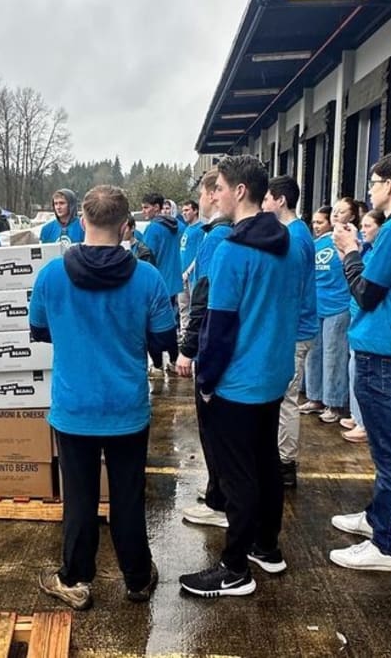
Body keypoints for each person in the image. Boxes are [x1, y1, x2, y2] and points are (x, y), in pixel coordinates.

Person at [32, 184, 176, 610]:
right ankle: (136, 578)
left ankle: (75, 578)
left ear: (81, 221)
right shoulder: (147, 278)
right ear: (126, 226)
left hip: (74, 409)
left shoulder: (52, 275)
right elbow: (165, 338)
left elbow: (38, 330)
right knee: (128, 497)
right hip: (126, 409)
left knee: (80, 499)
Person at [178, 155, 302, 598]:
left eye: (220, 188)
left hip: (238, 381)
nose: (215, 195)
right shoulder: (290, 243)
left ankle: (234, 568)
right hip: (273, 374)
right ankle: (266, 547)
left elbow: (221, 326)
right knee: (266, 464)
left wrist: (207, 379)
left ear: (240, 191)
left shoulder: (232, 250)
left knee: (238, 476)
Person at [327, 151, 391, 573]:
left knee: (388, 451)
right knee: (383, 447)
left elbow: (367, 293)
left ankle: (386, 545)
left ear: (390, 184)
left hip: (381, 350)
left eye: (373, 181)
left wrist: (351, 251)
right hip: (389, 347)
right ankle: (376, 518)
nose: (369, 190)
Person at [175, 169, 232, 529]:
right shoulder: (220, 235)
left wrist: (188, 347)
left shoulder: (218, 237)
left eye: (202, 193)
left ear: (213, 195)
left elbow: (204, 297)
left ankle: (219, 501)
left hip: (213, 343)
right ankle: (218, 492)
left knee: (213, 430)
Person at [263, 175, 317, 488]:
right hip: (295, 327)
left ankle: (285, 463)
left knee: (286, 398)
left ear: (280, 200)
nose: (264, 204)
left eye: (267, 198)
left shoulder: (295, 238)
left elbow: (290, 289)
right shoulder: (294, 233)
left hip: (296, 330)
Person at [300, 206, 353, 425]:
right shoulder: (316, 244)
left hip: (338, 307)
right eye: (315, 222)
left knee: (334, 356)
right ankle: (315, 397)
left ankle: (335, 403)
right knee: (315, 354)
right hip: (317, 306)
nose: (316, 225)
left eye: (320, 222)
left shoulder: (348, 244)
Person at [341, 209, 386, 444]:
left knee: (363, 375)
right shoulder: (367, 252)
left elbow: (367, 291)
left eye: (369, 226)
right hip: (357, 317)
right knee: (354, 371)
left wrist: (350, 253)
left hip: (368, 320)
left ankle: (363, 423)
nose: (365, 230)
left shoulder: (380, 254)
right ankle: (357, 416)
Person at [140, 193, 183, 323]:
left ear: (157, 207)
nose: (143, 211)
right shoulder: (177, 226)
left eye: (146, 207)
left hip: (158, 282)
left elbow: (146, 257)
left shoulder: (153, 228)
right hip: (173, 281)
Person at [177, 199, 203, 339]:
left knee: (194, 308)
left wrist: (188, 271)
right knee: (183, 307)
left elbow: (199, 254)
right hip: (181, 276)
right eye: (183, 211)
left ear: (195, 210)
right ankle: (184, 335)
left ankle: (194, 337)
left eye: (187, 210)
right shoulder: (187, 229)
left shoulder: (201, 229)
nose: (184, 213)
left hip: (192, 277)